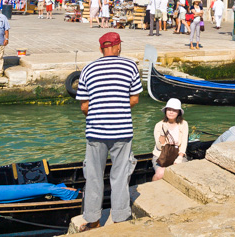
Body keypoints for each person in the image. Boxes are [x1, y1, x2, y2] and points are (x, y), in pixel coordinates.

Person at [75, 32, 141, 231]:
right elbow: (135, 99)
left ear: (100, 48)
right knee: (120, 176)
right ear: (118, 47)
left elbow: (84, 106)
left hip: (95, 130)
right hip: (122, 130)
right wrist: (118, 107)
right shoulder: (130, 66)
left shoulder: (88, 69)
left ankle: (93, 220)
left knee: (94, 176)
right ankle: (120, 218)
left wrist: (96, 114)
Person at [152, 98, 189, 182]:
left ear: (178, 112)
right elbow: (159, 146)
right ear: (165, 111)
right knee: (160, 174)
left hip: (178, 154)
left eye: (174, 110)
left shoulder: (184, 124)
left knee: (182, 173)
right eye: (169, 109)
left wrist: (180, 157)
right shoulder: (159, 125)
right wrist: (163, 133)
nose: (171, 112)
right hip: (161, 155)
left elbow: (184, 143)